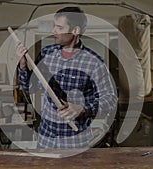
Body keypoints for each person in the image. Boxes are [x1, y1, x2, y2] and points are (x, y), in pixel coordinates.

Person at [16, 6, 117, 149]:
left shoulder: (94, 62)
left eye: (59, 27)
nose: (53, 31)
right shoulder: (46, 54)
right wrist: (23, 66)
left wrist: (83, 109)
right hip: (47, 138)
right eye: (54, 26)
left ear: (75, 31)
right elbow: (30, 87)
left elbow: (110, 99)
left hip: (77, 141)